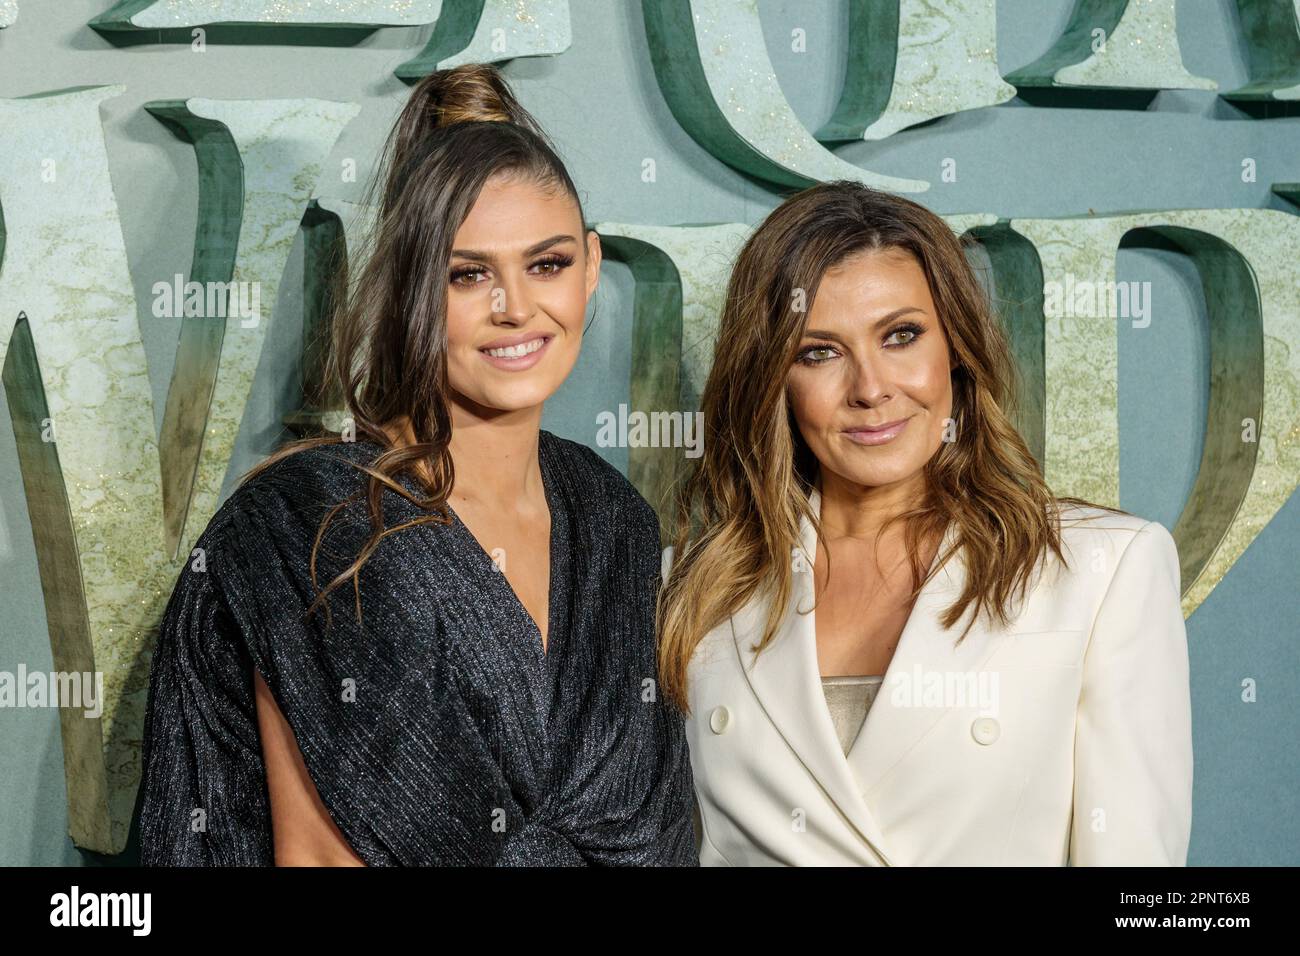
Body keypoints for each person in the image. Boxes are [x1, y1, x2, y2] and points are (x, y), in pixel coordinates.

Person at [138, 63, 696, 866]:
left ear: (592, 263)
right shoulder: (314, 524)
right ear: (408, 289)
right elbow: (318, 860)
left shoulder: (615, 522)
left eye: (548, 264)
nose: (516, 308)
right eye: (467, 275)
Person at [657, 181, 1192, 866]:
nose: (871, 388)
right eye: (818, 352)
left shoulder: (1102, 570)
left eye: (901, 336)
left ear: (957, 351)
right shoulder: (697, 588)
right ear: (772, 380)